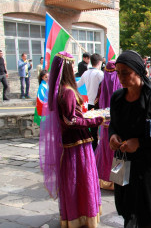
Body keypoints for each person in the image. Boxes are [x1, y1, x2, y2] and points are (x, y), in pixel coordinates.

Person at [108, 50, 151, 227]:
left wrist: (139, 143)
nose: (121, 77)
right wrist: (113, 136)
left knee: (147, 212)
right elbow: (113, 125)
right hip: (123, 161)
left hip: (149, 164)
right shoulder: (117, 98)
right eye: (118, 72)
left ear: (138, 71)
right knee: (127, 209)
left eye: (126, 72)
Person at [39, 51, 105, 227]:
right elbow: (71, 120)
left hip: (70, 142)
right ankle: (83, 214)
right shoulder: (68, 91)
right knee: (81, 180)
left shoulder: (60, 90)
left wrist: (85, 114)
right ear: (68, 68)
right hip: (77, 143)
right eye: (72, 65)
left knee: (74, 181)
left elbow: (70, 116)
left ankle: (75, 215)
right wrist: (96, 119)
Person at [94, 60, 122, 190]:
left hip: (104, 124)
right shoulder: (121, 85)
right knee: (116, 151)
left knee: (105, 150)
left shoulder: (102, 84)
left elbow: (97, 103)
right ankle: (117, 181)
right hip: (116, 125)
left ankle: (103, 178)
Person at [77, 53, 104, 151]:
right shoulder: (99, 73)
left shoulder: (85, 73)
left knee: (93, 128)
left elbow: (77, 84)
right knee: (101, 126)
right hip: (98, 103)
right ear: (100, 62)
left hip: (90, 103)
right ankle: (98, 149)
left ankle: (93, 148)